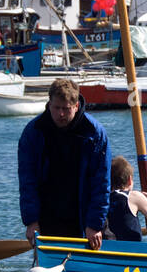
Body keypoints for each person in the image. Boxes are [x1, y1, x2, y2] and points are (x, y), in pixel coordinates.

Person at [18, 77, 110, 249]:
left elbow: (102, 181)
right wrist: (31, 221)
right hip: (48, 214)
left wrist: (95, 224)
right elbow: (27, 180)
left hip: (83, 214)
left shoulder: (94, 133)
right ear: (49, 104)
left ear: (76, 106)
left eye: (66, 109)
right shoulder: (34, 132)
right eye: (56, 108)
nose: (60, 114)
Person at [108, 156, 147, 240]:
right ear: (130, 180)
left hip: (109, 248)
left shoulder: (101, 199)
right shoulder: (134, 197)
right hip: (131, 250)